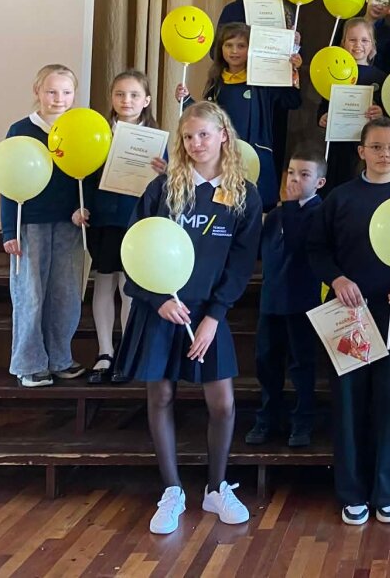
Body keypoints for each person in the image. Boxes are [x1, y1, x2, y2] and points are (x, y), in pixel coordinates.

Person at [117, 102, 262, 534]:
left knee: (223, 403)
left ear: (224, 136)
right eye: (187, 136)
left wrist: (214, 317)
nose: (196, 144)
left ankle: (216, 488)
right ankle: (172, 491)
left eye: (204, 134)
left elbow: (240, 265)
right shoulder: (162, 189)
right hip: (162, 310)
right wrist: (156, 298)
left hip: (207, 314)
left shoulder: (245, 195)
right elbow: (134, 250)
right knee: (160, 396)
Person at [307, 118, 390, 526]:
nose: (385, 154)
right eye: (377, 147)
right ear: (361, 151)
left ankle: (386, 490)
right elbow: (316, 250)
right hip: (347, 313)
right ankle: (351, 492)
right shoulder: (340, 198)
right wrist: (337, 279)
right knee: (348, 401)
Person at [0, 64, 86, 388]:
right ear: (37, 92)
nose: (59, 98)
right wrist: (9, 230)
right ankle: (29, 364)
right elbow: (7, 179)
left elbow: (86, 175)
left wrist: (83, 209)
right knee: (30, 294)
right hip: (30, 224)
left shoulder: (78, 129)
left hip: (68, 225)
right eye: (51, 91)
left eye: (66, 92)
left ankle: (60, 358)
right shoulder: (20, 130)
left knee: (65, 295)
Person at [81, 69, 164, 384]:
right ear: (111, 98)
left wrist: (165, 171)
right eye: (119, 94)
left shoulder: (157, 140)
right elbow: (84, 175)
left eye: (133, 95)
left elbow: (167, 185)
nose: (126, 100)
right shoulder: (98, 134)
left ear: (146, 100)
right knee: (104, 282)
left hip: (138, 221)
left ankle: (127, 355)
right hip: (103, 219)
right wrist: (83, 206)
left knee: (129, 287)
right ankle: (105, 352)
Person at [247, 148, 327, 449]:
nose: (294, 179)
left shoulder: (320, 214)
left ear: (319, 182)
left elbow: (297, 245)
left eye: (304, 174)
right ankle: (268, 416)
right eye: (291, 173)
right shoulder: (276, 215)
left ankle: (302, 420)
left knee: (301, 365)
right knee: (266, 363)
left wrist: (291, 206)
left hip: (302, 302)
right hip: (272, 301)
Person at [176, 22, 302, 211]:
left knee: (256, 205)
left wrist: (292, 72)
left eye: (241, 46)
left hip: (255, 154)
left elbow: (292, 101)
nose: (234, 51)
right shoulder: (217, 83)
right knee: (226, 206)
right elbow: (206, 118)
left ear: (251, 49)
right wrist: (186, 100)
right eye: (229, 45)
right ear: (221, 49)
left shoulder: (262, 82)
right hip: (224, 156)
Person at [316, 17, 385, 193]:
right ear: (343, 43)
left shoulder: (379, 77)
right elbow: (324, 104)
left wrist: (380, 114)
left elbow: (386, 113)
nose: (358, 45)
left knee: (361, 188)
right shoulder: (334, 72)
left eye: (364, 40)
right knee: (334, 186)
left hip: (366, 146)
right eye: (352, 40)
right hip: (337, 145)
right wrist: (322, 117)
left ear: (372, 45)